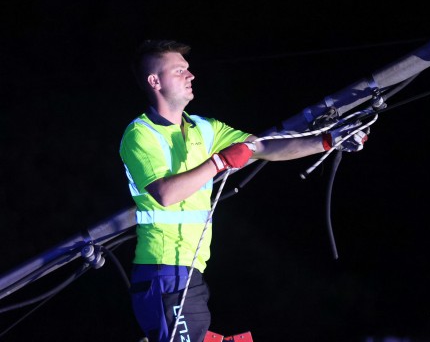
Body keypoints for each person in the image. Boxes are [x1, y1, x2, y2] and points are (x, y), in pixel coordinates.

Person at [119, 39, 367, 342]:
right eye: (179, 70)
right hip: (163, 272)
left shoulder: (204, 128)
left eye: (189, 70)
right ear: (154, 81)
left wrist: (327, 141)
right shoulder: (140, 133)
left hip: (189, 272)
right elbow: (165, 194)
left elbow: (262, 146)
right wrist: (220, 161)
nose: (191, 75)